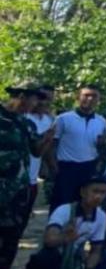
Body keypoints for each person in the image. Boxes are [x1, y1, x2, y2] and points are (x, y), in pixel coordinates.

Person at [26, 176, 106, 269]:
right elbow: (49, 240)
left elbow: (96, 251)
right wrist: (64, 238)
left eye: (103, 192)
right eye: (95, 191)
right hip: (55, 256)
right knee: (46, 258)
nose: (99, 196)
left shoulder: (101, 216)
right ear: (83, 192)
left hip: (74, 261)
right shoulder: (64, 210)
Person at [1, 82, 54, 269]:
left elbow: (36, 151)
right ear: (22, 96)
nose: (37, 104)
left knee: (11, 236)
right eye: (34, 100)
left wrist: (47, 139)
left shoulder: (26, 123)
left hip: (18, 191)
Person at [50, 84, 106, 211]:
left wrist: (101, 146)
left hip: (89, 168)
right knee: (61, 205)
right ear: (78, 97)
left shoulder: (102, 121)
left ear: (98, 100)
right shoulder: (63, 119)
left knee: (85, 205)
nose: (90, 99)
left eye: (94, 96)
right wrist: (53, 166)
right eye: (86, 95)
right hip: (66, 168)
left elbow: (101, 147)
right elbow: (52, 144)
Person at [24, 84, 55, 224]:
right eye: (41, 98)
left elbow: (47, 148)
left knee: (23, 218)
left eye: (48, 99)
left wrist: (51, 166)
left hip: (32, 176)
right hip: (14, 176)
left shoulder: (49, 120)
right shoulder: (23, 117)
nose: (44, 102)